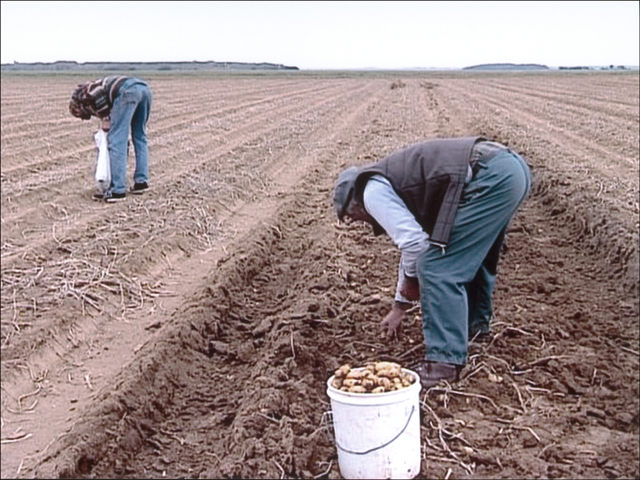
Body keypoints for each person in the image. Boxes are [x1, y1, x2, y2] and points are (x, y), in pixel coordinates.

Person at [333, 137, 531, 388]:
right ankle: (475, 330)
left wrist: (407, 292)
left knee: (437, 267)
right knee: (469, 257)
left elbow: (415, 245)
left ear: (354, 200)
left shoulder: (371, 192)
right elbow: (413, 244)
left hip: (493, 176)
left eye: (351, 216)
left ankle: (442, 364)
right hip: (510, 170)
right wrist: (400, 306)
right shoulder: (386, 181)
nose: (359, 222)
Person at [69, 76, 152, 202]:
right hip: (144, 89)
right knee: (139, 136)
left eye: (80, 114)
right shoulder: (93, 90)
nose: (83, 117)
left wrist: (106, 126)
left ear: (79, 106)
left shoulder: (89, 94)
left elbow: (107, 121)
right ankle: (141, 182)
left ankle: (117, 190)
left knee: (117, 139)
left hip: (127, 92)